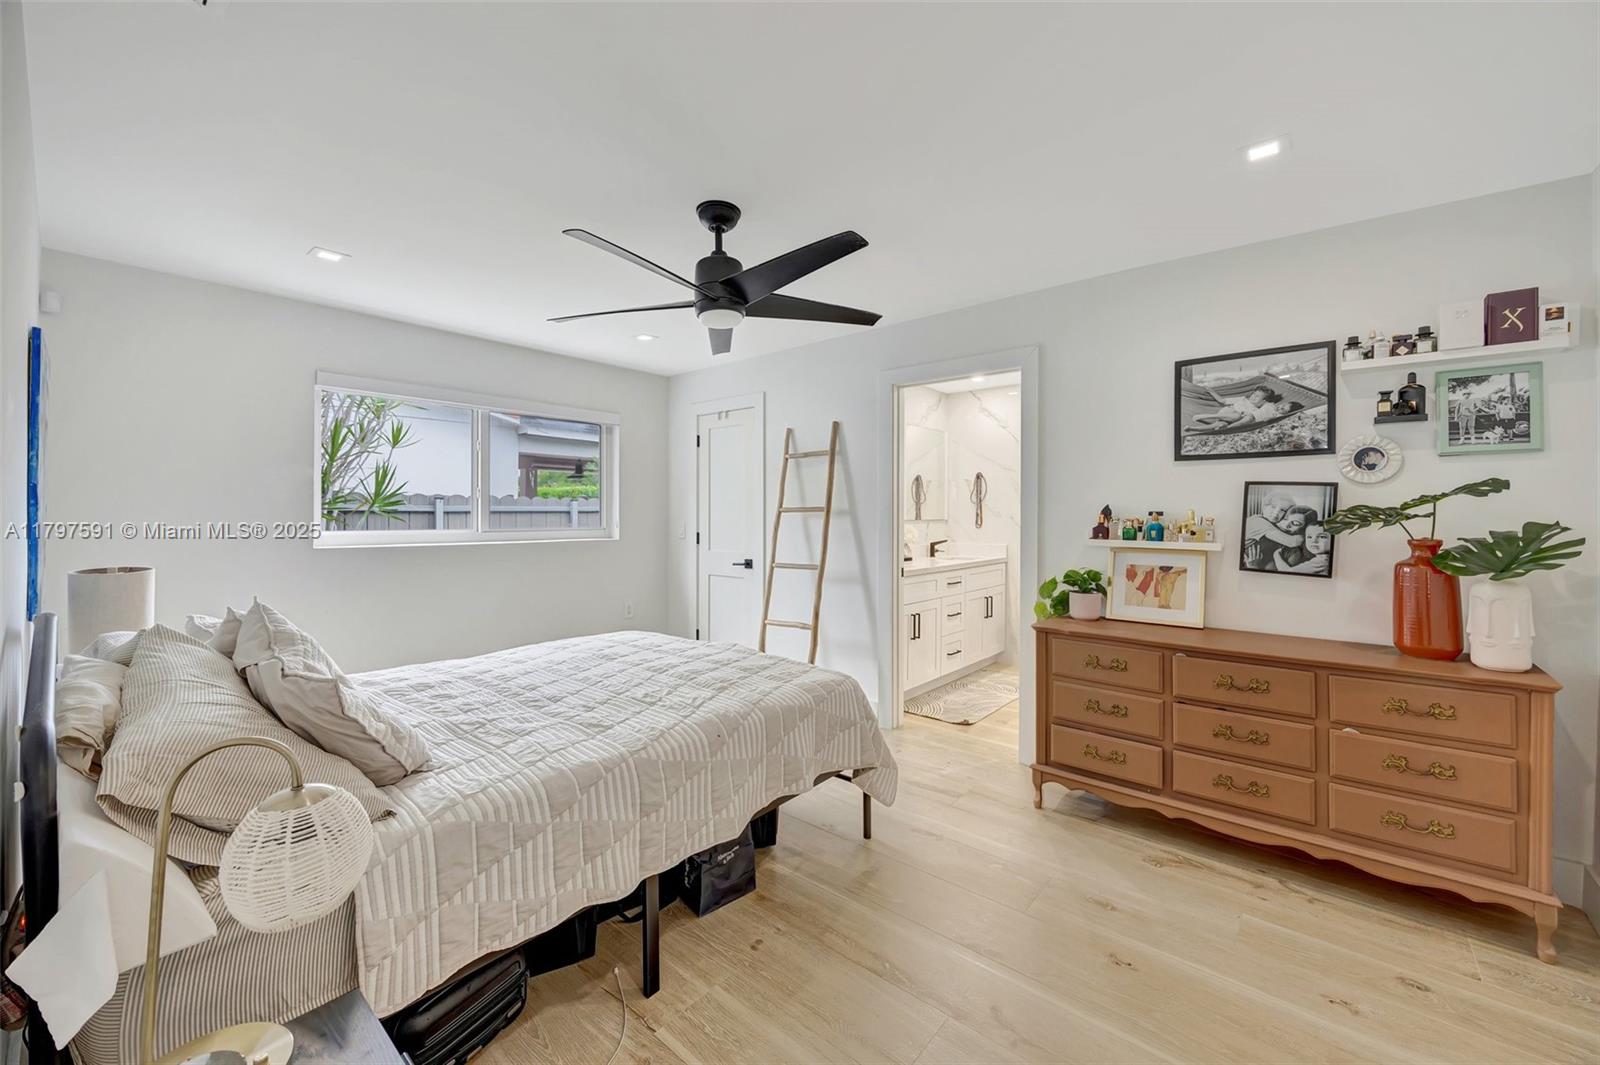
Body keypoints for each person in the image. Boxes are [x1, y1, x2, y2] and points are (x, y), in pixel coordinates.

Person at [1241, 492, 1301, 569]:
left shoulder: (1274, 525)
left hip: (1258, 561)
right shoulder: (1257, 522)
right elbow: (1293, 542)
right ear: (1264, 507)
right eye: (1273, 507)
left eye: (1283, 510)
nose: (1276, 512)